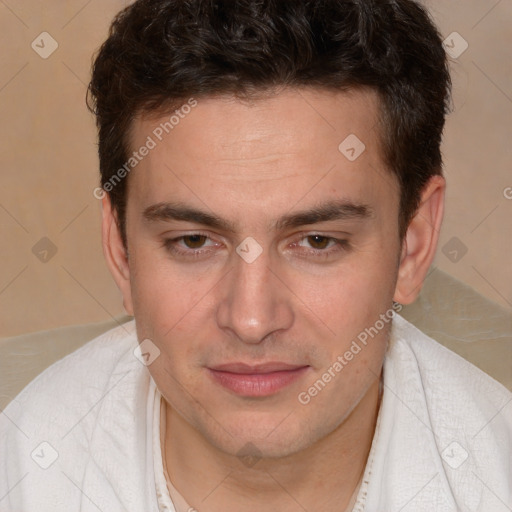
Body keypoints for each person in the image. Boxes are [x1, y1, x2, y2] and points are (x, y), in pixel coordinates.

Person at [1, 0, 511, 511]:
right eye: (194, 241)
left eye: (317, 241)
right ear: (121, 250)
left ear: (413, 246)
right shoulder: (22, 474)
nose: (251, 320)